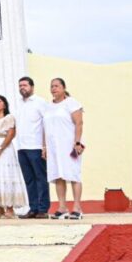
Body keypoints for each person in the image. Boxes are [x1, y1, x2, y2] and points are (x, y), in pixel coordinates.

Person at [45, 78, 85, 219]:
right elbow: (46, 128)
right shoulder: (48, 106)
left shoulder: (71, 103)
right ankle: (62, 207)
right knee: (58, 176)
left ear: (63, 87)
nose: (53, 89)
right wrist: (44, 147)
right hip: (54, 147)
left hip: (70, 145)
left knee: (73, 174)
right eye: (51, 86)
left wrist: (78, 142)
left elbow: (79, 123)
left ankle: (77, 208)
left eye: (56, 86)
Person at [0, 95, 28, 219]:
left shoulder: (9, 118)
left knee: (6, 176)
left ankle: (9, 208)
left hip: (5, 149)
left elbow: (11, 134)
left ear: (4, 104)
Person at [15, 76, 50, 219]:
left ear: (32, 87)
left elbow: (47, 125)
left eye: (25, 85)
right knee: (29, 179)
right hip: (21, 147)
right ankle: (33, 208)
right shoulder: (18, 103)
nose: (22, 87)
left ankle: (43, 208)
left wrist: (45, 146)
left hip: (36, 146)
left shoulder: (40, 102)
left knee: (40, 178)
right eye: (20, 85)